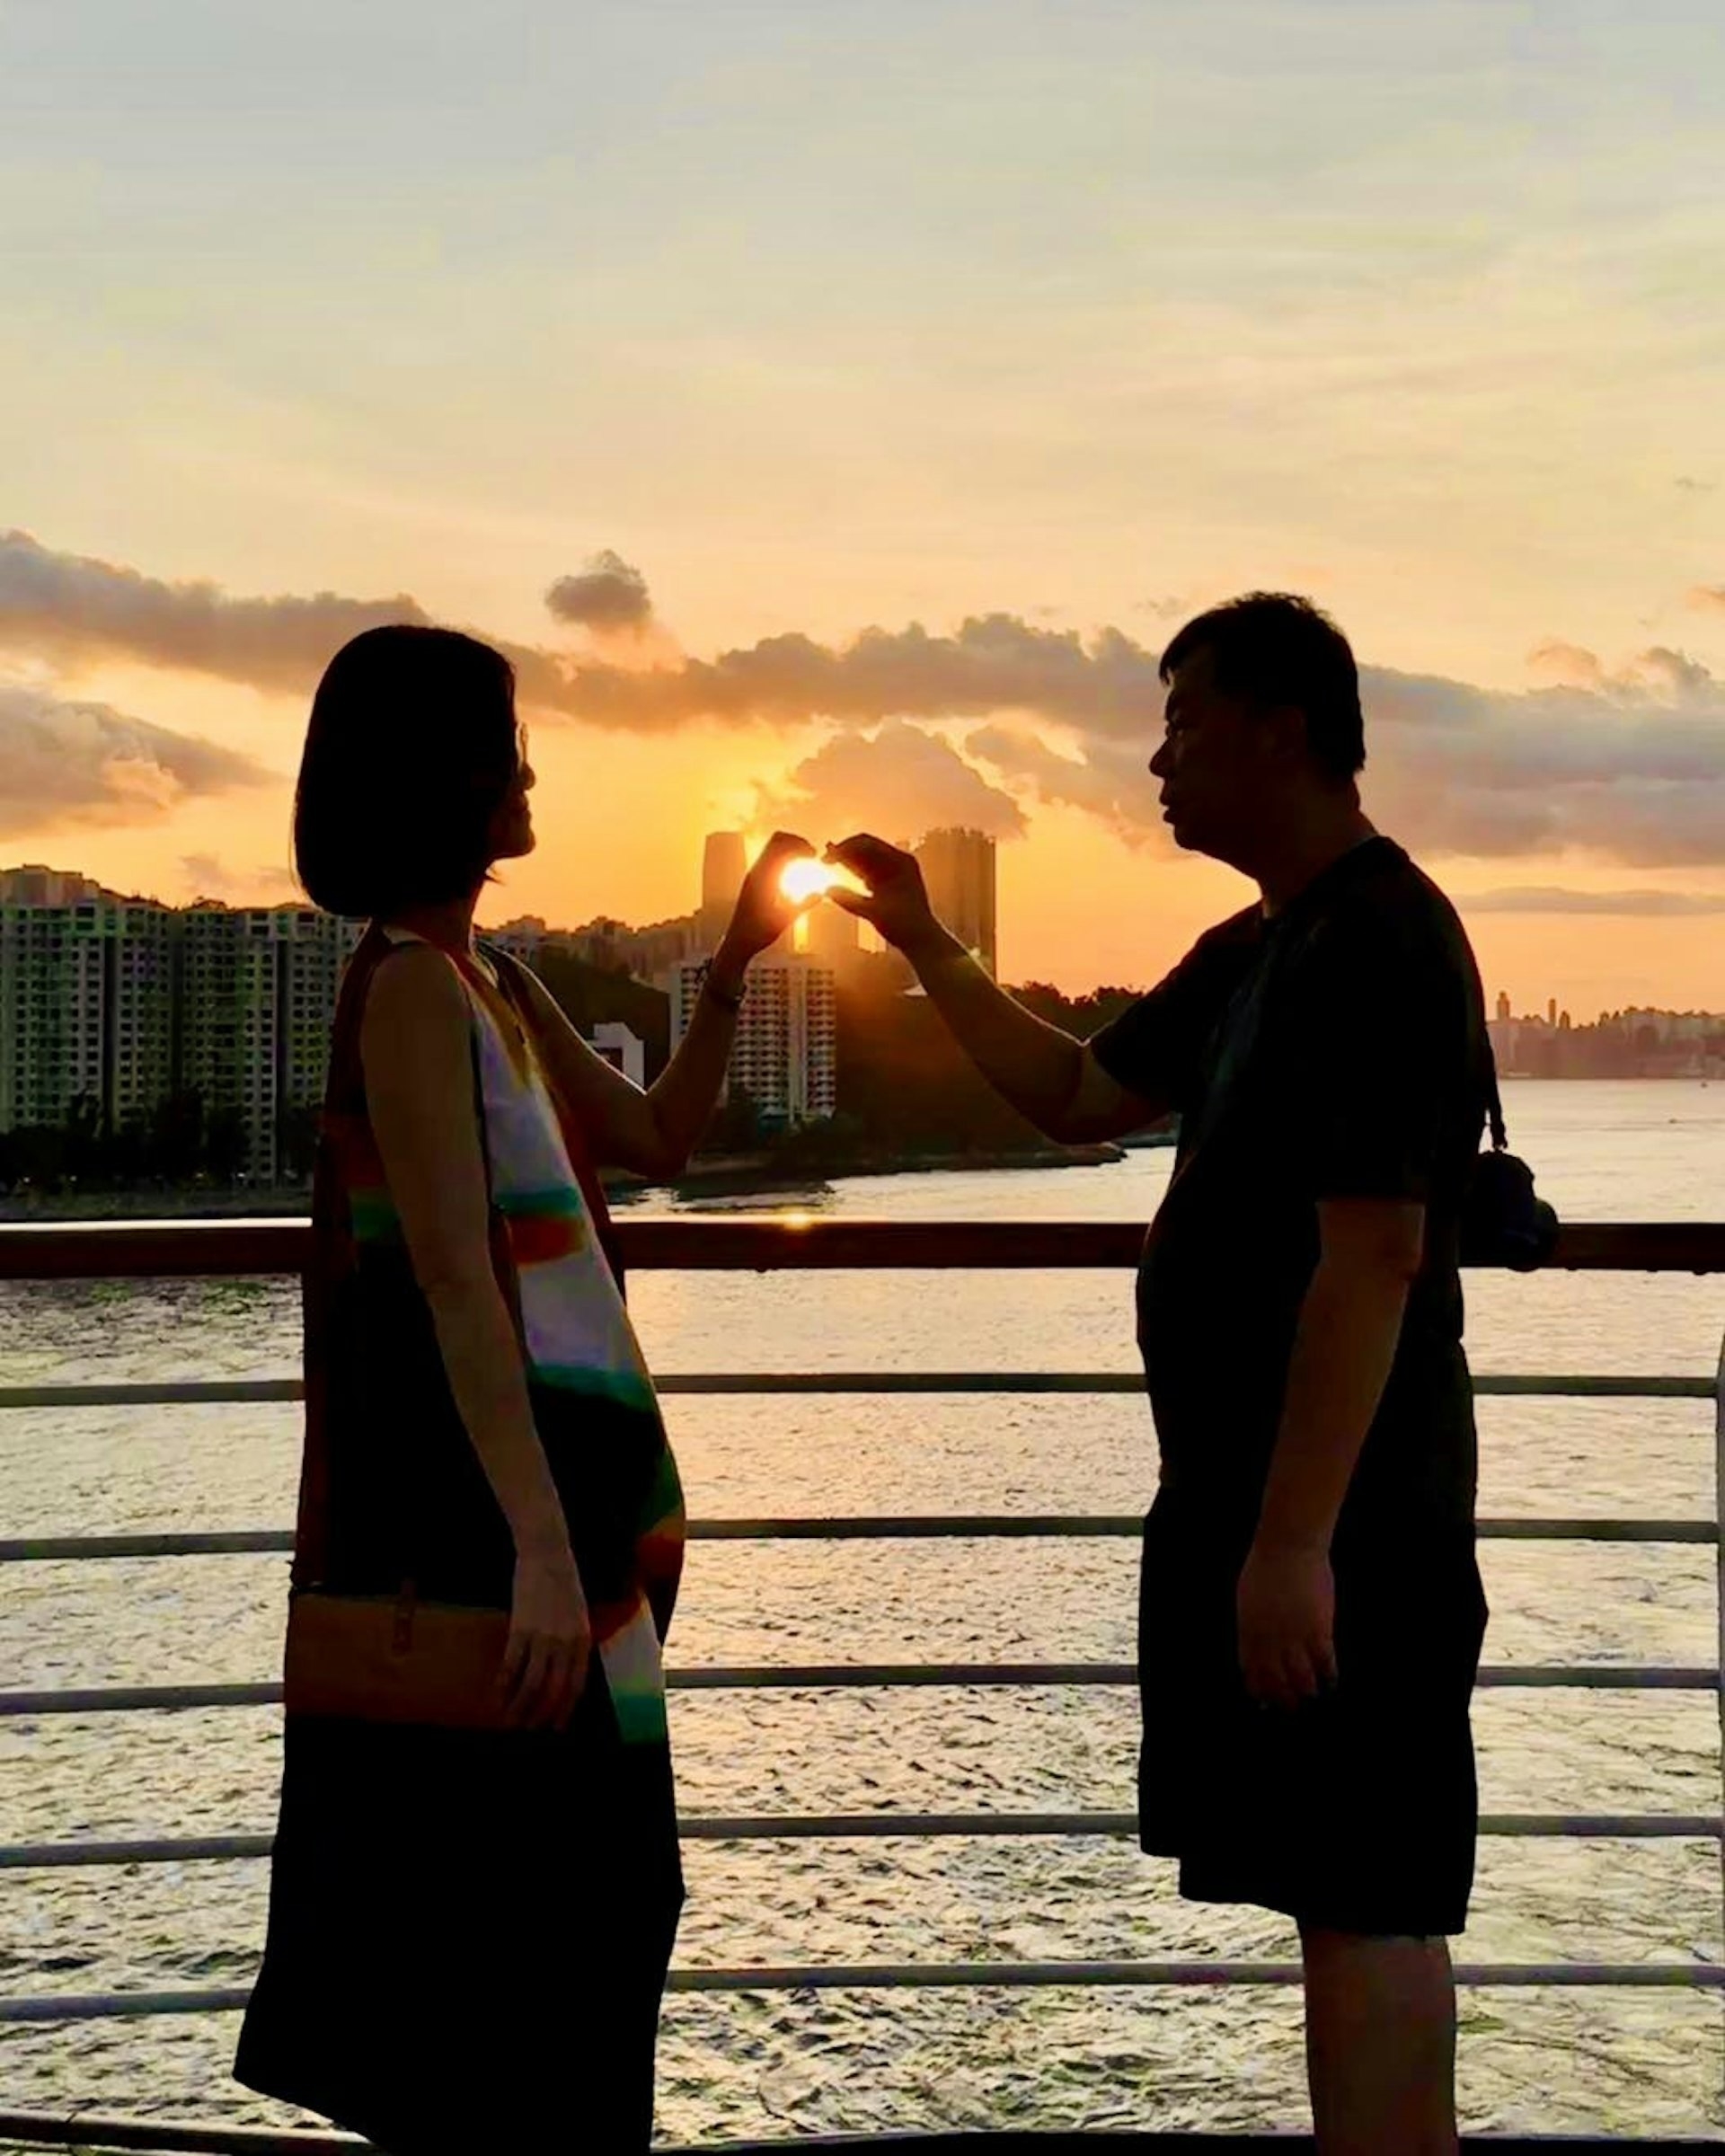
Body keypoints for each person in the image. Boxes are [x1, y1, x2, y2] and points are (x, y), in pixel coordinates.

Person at [827, 593, 1490, 2156]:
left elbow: (1375, 1259)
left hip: (1347, 1528)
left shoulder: (1383, 937)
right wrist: (923, 937)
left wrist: (1292, 1547)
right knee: (1334, 1893)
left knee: (1373, 1898)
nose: (1157, 761)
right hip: (1261, 1514)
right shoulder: (1256, 945)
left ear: (1279, 732)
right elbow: (1076, 1096)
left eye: (1182, 722)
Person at [235, 623, 812, 2154]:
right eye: (508, 748)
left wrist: (739, 959)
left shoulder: (495, 981)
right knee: (522, 1956)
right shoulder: (413, 994)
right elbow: (451, 1283)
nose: (532, 775)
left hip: (545, 1541)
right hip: (486, 1543)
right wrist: (545, 1553)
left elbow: (661, 1141)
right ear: (445, 778)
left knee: (590, 1923)